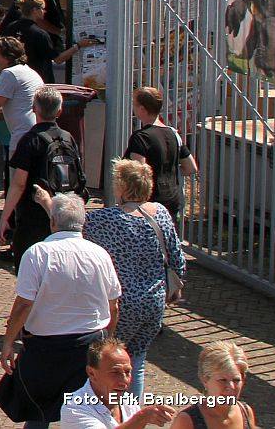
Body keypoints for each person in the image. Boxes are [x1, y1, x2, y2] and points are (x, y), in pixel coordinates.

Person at [2, 193, 123, 429]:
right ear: (82, 222)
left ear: (53, 222)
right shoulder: (100, 255)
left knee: (38, 412)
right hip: (88, 345)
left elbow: (24, 304)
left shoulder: (37, 254)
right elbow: (114, 306)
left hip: (45, 347)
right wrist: (108, 340)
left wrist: (8, 341)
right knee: (87, 410)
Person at [83, 160, 185, 400]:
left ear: (122, 186)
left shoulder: (105, 219)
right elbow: (177, 259)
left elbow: (72, 226)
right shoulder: (160, 213)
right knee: (136, 361)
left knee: (108, 362)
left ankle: (110, 414)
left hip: (121, 304)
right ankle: (133, 416)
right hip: (154, 302)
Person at [2, 87, 87, 266]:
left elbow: (18, 184)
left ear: (34, 109)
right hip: (61, 211)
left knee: (31, 270)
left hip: (32, 216)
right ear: (60, 111)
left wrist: (5, 219)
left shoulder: (30, 139)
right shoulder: (68, 137)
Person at [58, 337, 177, 428]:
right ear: (92, 373)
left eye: (128, 372)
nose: (124, 381)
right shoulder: (74, 408)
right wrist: (141, 418)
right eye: (115, 373)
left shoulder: (128, 401)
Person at [124, 86, 195, 219]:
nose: (133, 108)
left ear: (142, 109)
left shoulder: (141, 137)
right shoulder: (173, 133)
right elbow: (191, 168)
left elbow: (137, 175)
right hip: (172, 201)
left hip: (150, 204)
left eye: (134, 104)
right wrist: (168, 170)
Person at [167, 342, 255, 429]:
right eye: (222, 380)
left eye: (236, 380)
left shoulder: (246, 412)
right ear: (205, 380)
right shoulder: (187, 420)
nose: (231, 386)